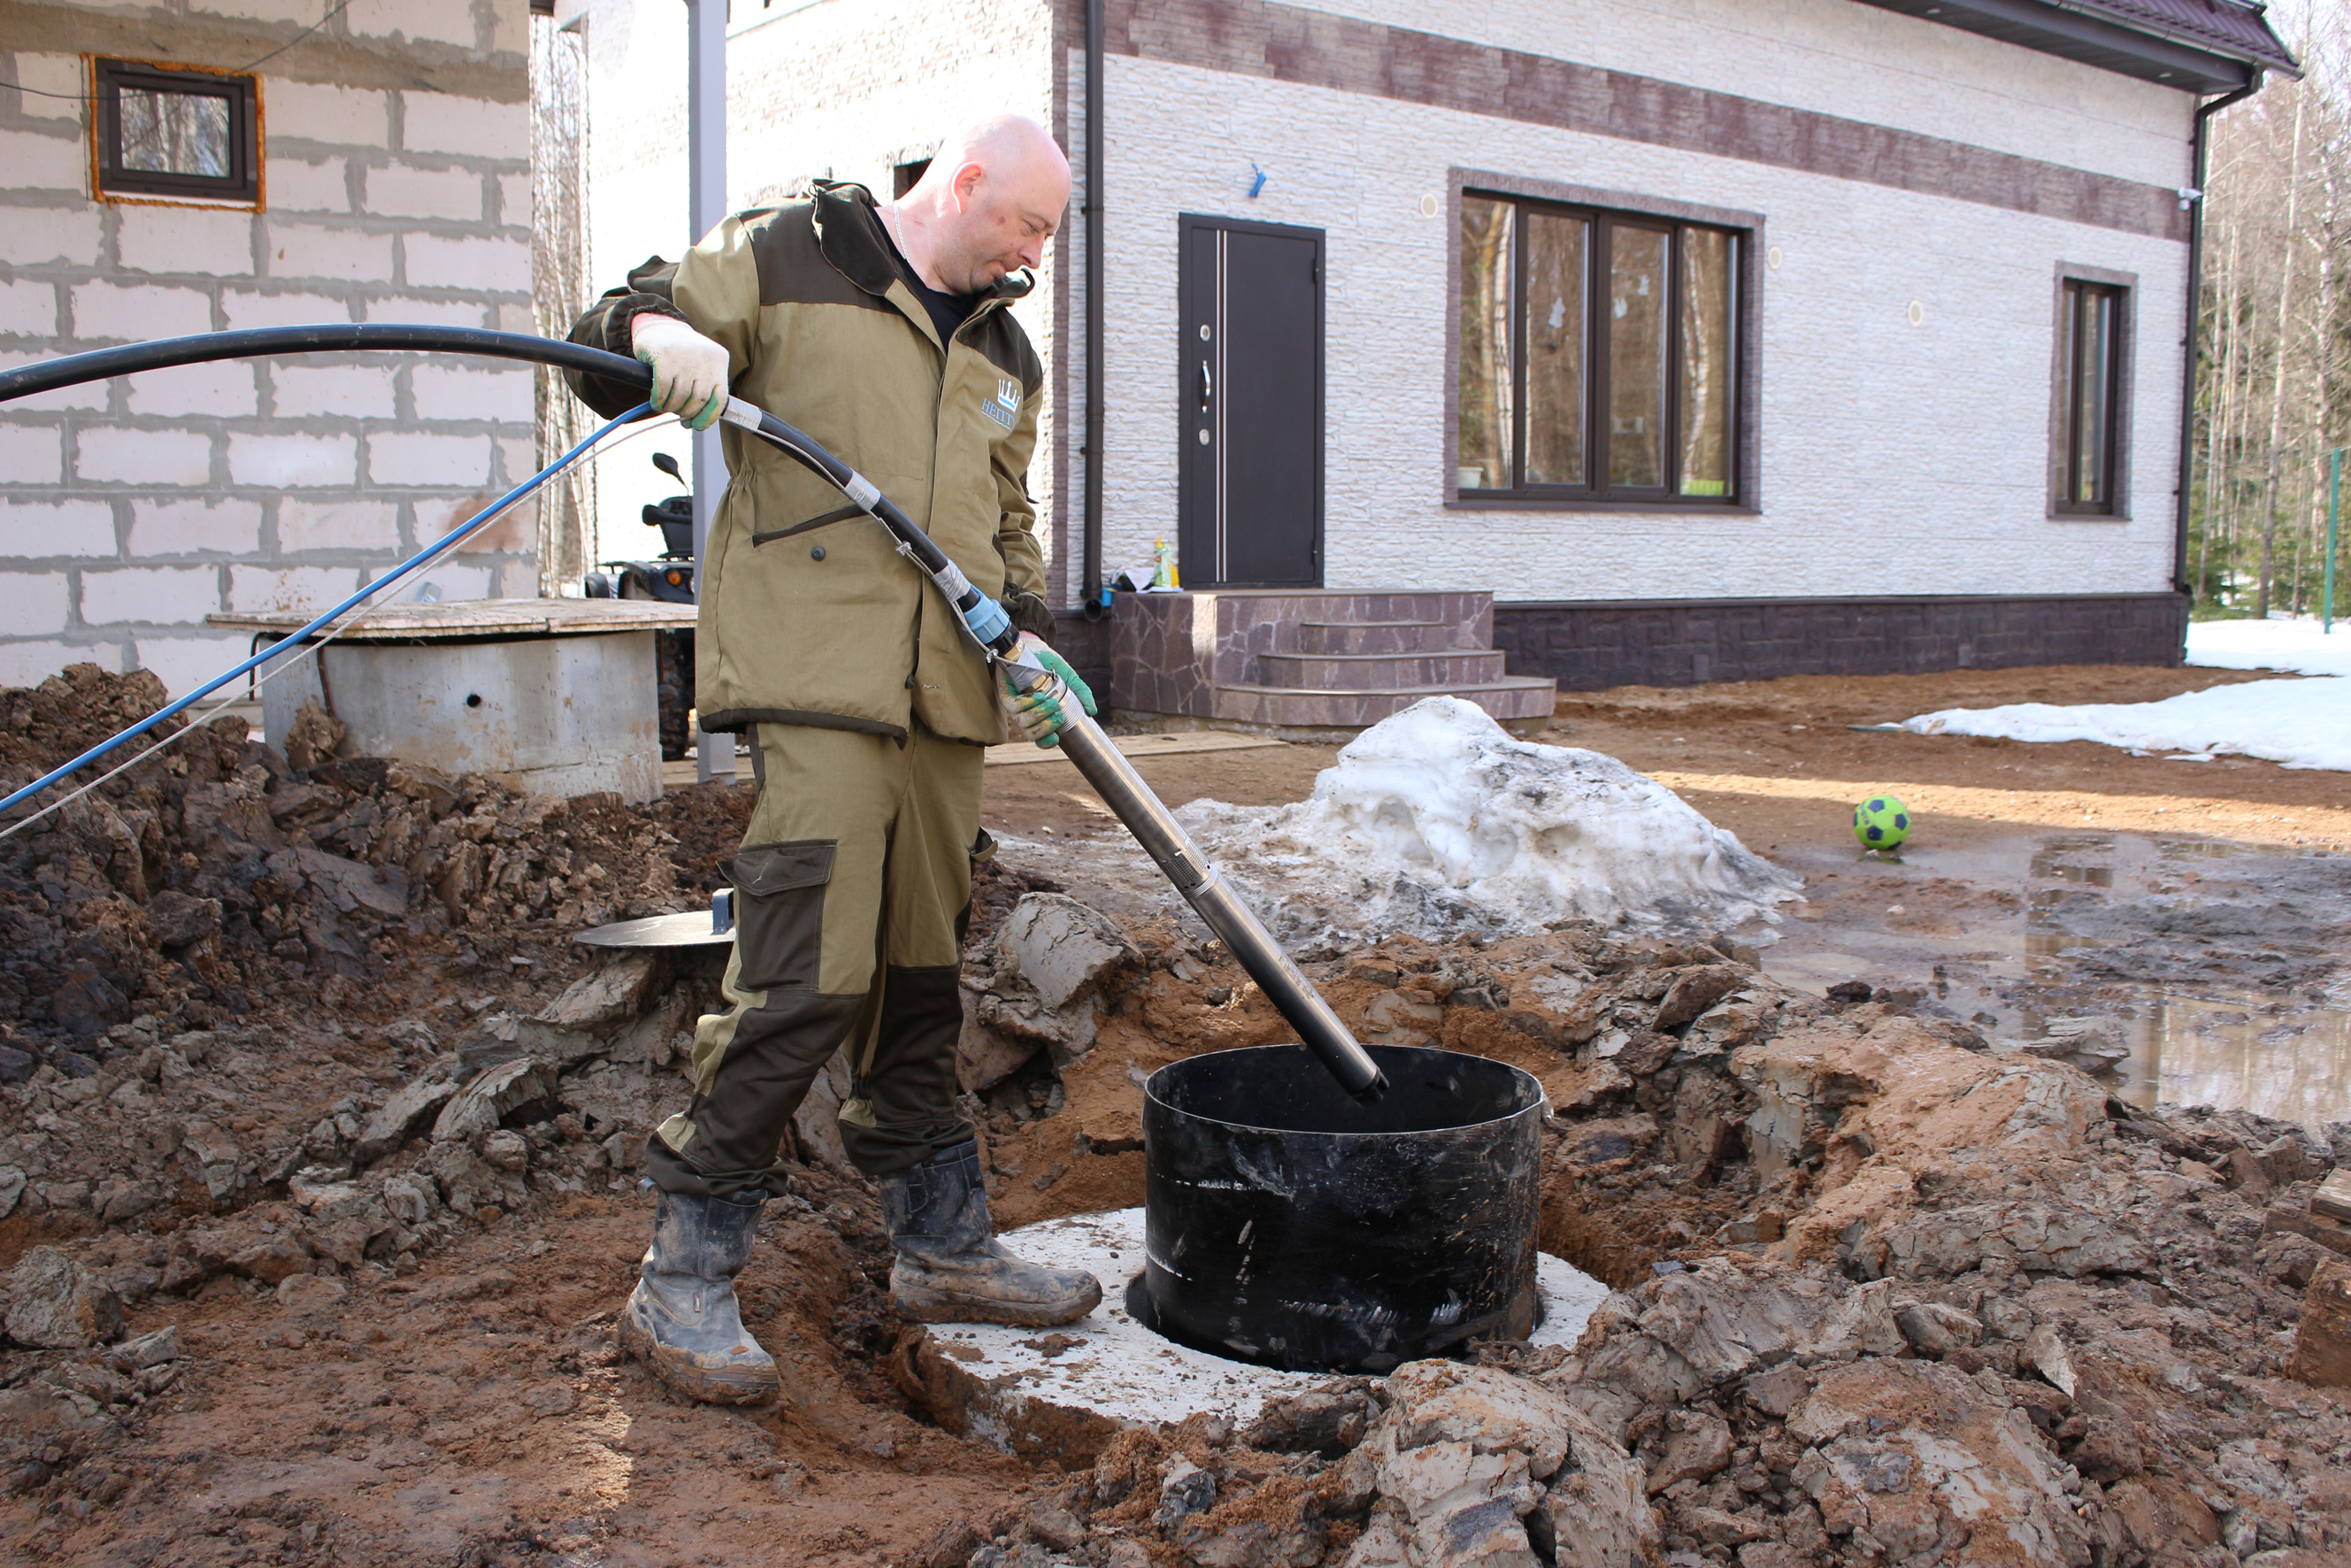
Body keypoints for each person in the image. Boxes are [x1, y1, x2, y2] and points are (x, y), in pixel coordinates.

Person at [563, 114, 1102, 1406]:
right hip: (819, 680)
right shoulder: (796, 248)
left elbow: (1006, 523)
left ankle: (943, 1249)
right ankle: (682, 1273)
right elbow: (611, 325)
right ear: (963, 183)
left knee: (918, 971)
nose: (1034, 253)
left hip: (944, 698)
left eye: (1047, 236)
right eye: (1025, 224)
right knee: (807, 969)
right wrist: (656, 337)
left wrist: (1028, 637)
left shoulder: (1002, 345)